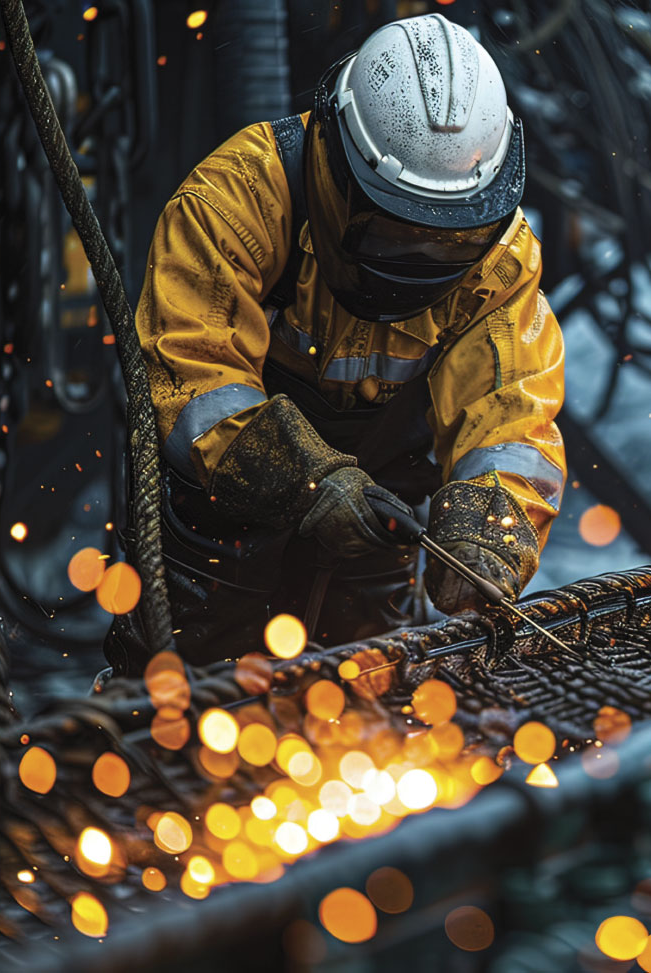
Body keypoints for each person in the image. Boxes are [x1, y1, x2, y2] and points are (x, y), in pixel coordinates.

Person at [112, 13, 565, 670]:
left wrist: (491, 526)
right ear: (341, 169)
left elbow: (513, 417)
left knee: (365, 693)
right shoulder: (237, 197)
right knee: (194, 698)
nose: (423, 254)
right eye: (400, 230)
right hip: (223, 518)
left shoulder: (500, 257)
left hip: (381, 523)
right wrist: (308, 483)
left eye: (449, 240)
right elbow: (194, 380)